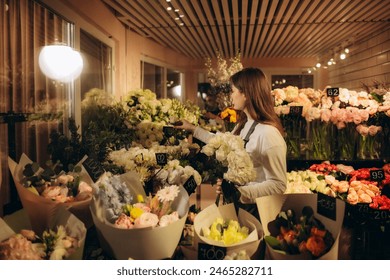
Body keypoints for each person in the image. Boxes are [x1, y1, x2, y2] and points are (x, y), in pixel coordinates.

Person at [176, 67, 287, 217]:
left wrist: (240, 192)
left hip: (256, 212)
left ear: (246, 94)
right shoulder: (244, 124)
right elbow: (222, 142)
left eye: (233, 91)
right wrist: (192, 129)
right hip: (238, 208)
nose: (231, 96)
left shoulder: (268, 133)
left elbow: (278, 185)